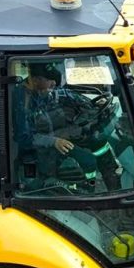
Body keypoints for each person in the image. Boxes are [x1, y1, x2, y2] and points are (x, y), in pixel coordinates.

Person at [15, 62, 123, 191]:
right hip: (40, 149)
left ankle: (112, 186)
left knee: (98, 142)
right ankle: (88, 189)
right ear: (36, 79)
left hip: (57, 135)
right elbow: (24, 137)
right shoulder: (22, 100)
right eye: (50, 81)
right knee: (88, 161)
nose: (53, 85)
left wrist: (91, 104)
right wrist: (54, 141)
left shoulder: (44, 90)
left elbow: (65, 94)